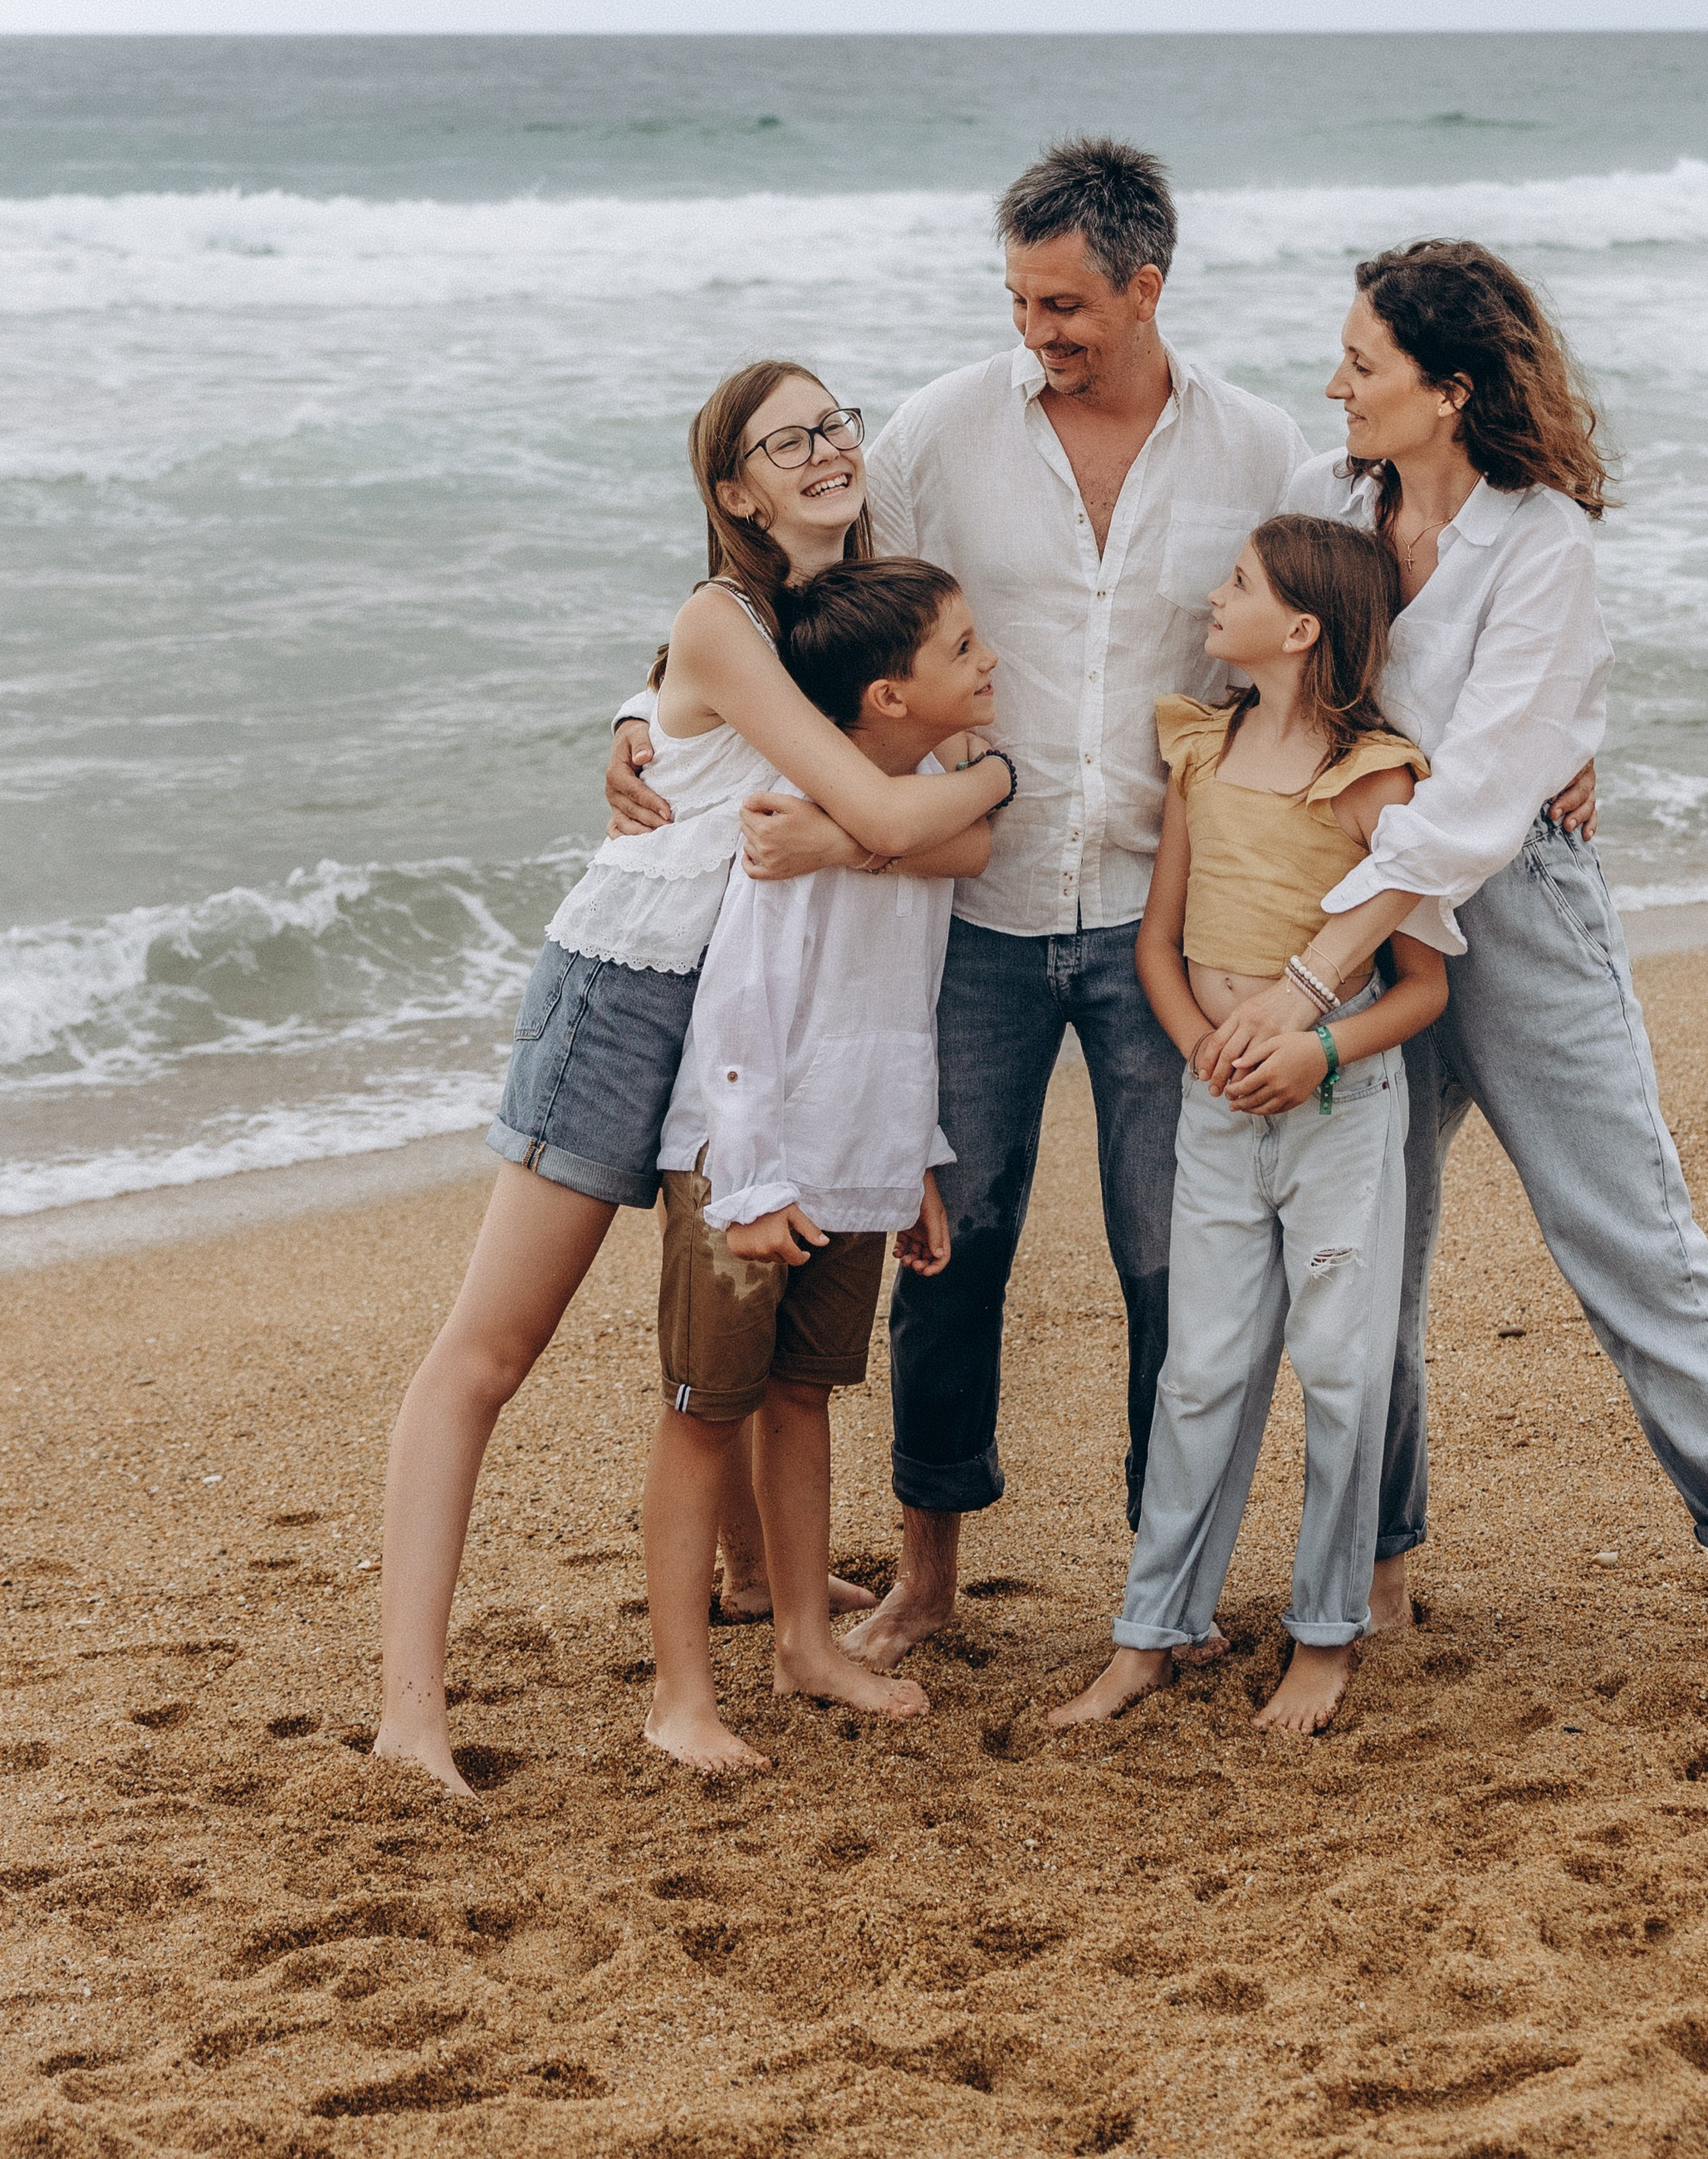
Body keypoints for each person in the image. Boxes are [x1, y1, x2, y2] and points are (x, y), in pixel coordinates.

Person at [605, 141, 1596, 1670]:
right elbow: (802, 599)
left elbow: (1371, 618)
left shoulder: (1263, 449)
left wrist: (1562, 744)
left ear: (1147, 286)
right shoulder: (939, 430)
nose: (1039, 330)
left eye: (1066, 303)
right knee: (951, 1245)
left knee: (1172, 1261)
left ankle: (1166, 1585)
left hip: (1163, 918)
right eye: (1017, 298)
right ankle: (926, 1572)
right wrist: (640, 707)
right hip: (973, 909)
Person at [1206, 241, 1708, 1682]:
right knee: (1367, 1254)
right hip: (1353, 907)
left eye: (1363, 363)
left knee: (1626, 1233)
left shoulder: (1541, 538)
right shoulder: (1327, 502)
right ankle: (1377, 1577)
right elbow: (1273, 686)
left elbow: (1477, 793)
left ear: (1449, 392)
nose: (1334, 382)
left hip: (1501, 915)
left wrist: (1314, 976)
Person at [374, 366, 1011, 1794]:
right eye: (789, 441)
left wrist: (976, 794)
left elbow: (908, 829)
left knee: (743, 1313)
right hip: (628, 989)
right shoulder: (725, 622)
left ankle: (750, 1591)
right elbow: (877, 804)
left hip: (752, 999)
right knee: (492, 1349)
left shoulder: (836, 614)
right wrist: (961, 795)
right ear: (735, 489)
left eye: (837, 422)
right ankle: (409, 1706)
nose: (830, 449)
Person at [1050, 518, 1450, 1740]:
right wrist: (1198, 1049)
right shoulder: (1204, 751)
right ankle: (1149, 1635)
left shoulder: (1378, 779)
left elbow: (1422, 985)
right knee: (1200, 1373)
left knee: (1341, 1367)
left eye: (1239, 584)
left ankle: (1326, 1635)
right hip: (1213, 1110)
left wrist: (1313, 1048)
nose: (1212, 599)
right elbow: (1156, 942)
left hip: (1338, 1116)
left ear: (1304, 627)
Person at [639, 561, 1002, 1775]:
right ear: (891, 696)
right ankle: (680, 1690)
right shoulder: (783, 822)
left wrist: (917, 1164)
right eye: (963, 648)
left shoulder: (936, 797)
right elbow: (738, 1015)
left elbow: (902, 1013)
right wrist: (746, 1185)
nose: (988, 660)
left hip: (859, 1161)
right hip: (746, 1167)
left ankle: (804, 1639)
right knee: (706, 1414)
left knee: (804, 1397)